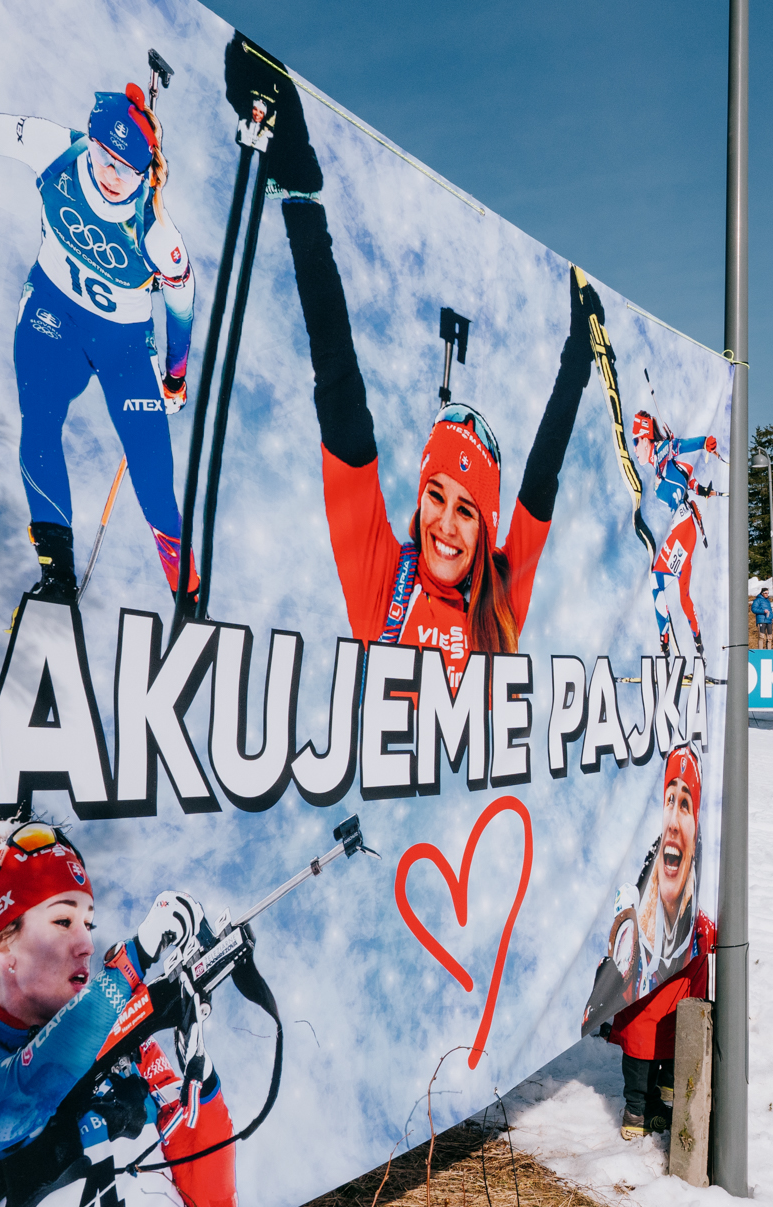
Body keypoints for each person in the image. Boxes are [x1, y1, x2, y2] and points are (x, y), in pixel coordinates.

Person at [0, 85, 198, 597]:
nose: (111, 176)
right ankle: (57, 577)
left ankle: (189, 598)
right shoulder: (54, 148)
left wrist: (175, 376)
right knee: (40, 423)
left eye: (126, 169)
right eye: (102, 156)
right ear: (89, 140)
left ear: (146, 173)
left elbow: (182, 308)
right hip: (52, 315)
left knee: (152, 473)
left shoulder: (158, 234)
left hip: (123, 347)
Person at [288, 140, 594, 671]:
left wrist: (578, 358)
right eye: (437, 495)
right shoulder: (383, 583)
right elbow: (342, 406)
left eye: (467, 510)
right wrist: (302, 205)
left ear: (486, 529)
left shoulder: (499, 603)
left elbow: (540, 483)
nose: (446, 525)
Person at [0, 822, 237, 1207]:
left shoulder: (132, 1050)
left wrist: (200, 1077)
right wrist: (133, 959)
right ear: (3, 945)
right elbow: (13, 1106)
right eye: (62, 922)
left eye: (88, 925)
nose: (86, 946)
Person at [598, 747, 715, 1138]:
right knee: (643, 1052)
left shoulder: (696, 904)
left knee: (659, 1052)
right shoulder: (640, 897)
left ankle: (654, 1099)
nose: (675, 817)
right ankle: (637, 1110)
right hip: (648, 1018)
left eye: (685, 804)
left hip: (669, 1021)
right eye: (669, 800)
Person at [631, 409, 725, 656]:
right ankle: (699, 645)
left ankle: (664, 641)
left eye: (636, 441)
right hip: (684, 530)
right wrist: (702, 490)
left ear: (646, 439)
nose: (635, 448)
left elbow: (678, 446)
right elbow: (687, 480)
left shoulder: (661, 451)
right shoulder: (662, 467)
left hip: (683, 527)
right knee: (684, 597)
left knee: (656, 581)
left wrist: (703, 442)